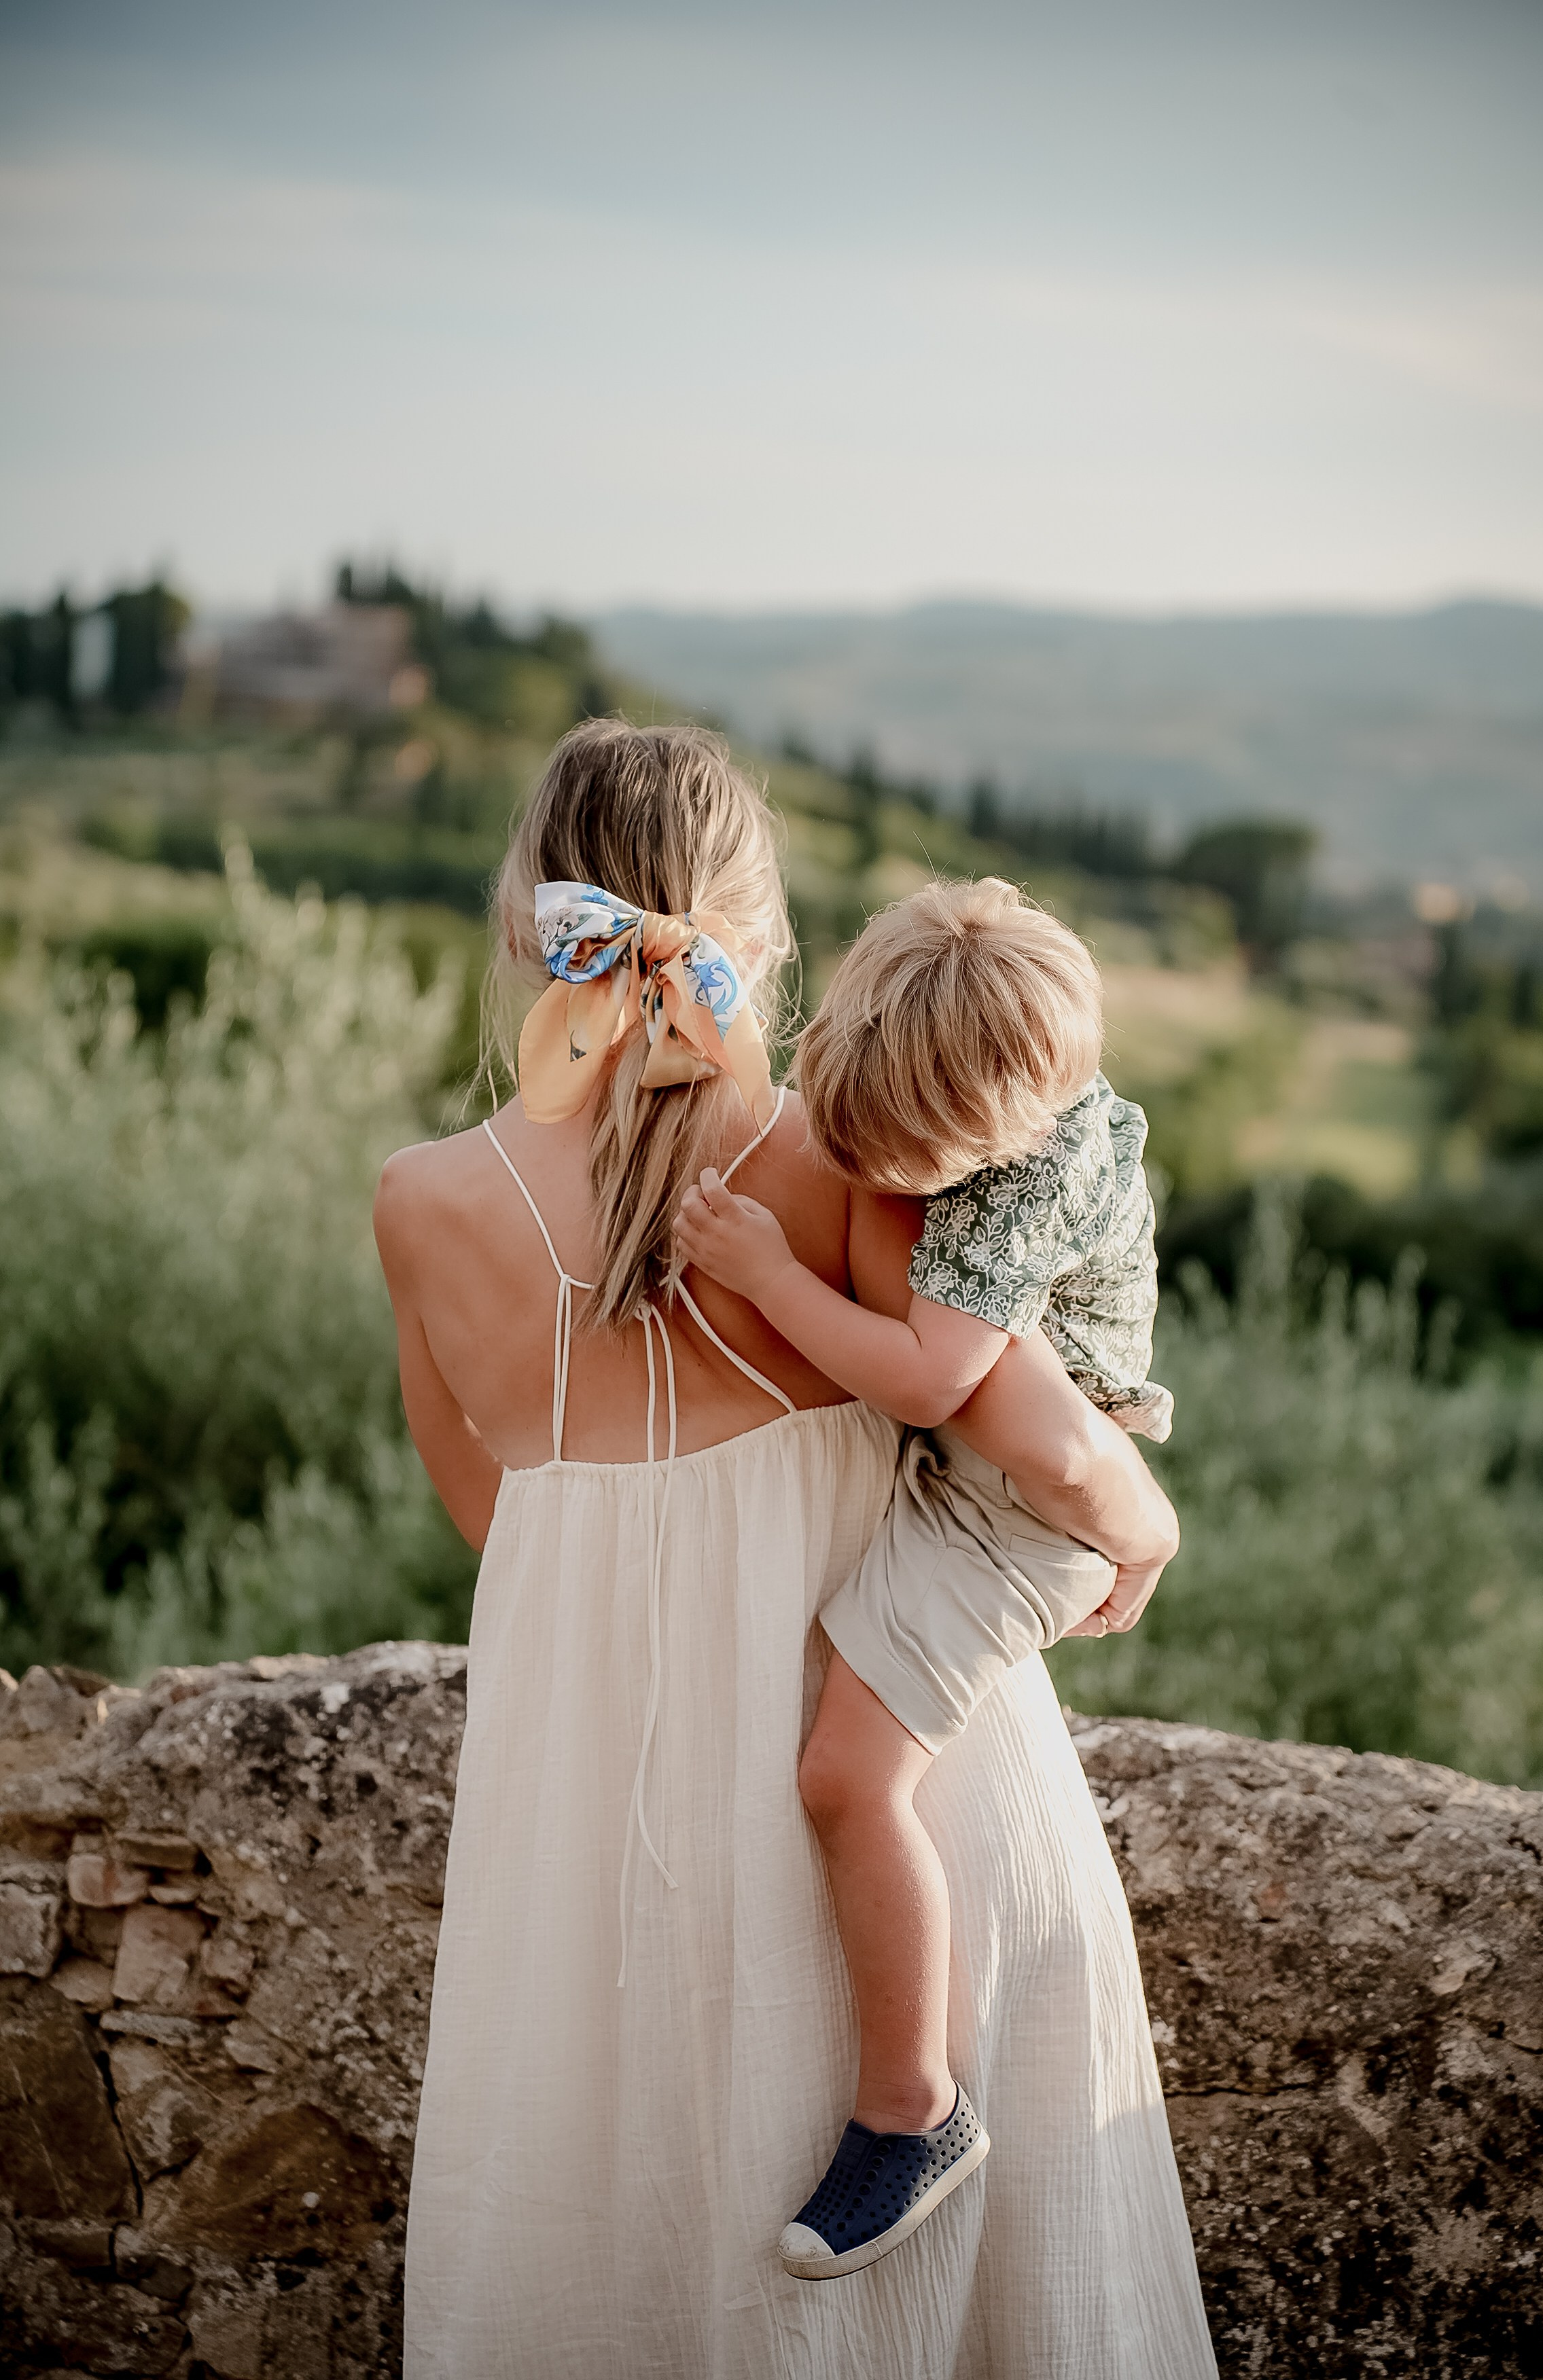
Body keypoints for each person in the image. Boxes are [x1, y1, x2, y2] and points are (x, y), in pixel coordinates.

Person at [379, 718, 1217, 2377]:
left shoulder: (420, 1201)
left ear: (529, 926)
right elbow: (1043, 1443)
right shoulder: (845, 1164)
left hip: (592, 1818)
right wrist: (1149, 1521)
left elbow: (491, 1516)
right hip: (911, 1788)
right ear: (762, 935)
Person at [674, 874, 1178, 2278]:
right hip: (986, 1476)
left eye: (889, 1162)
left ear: (991, 1139)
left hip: (1015, 1512)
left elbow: (923, 1381)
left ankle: (912, 2109)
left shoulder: (1022, 1191)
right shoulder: (989, 1069)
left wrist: (769, 1272)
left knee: (848, 1777)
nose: (860, 1172)